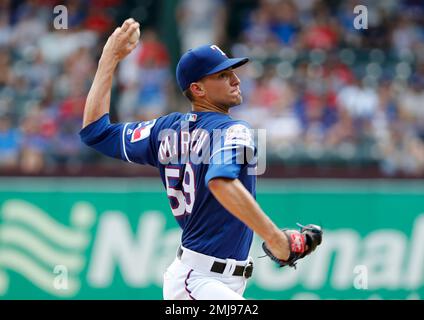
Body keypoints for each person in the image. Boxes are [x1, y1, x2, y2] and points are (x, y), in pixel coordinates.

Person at [80, 18, 313, 300]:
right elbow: (221, 183)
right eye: (222, 75)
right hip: (200, 282)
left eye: (232, 72)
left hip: (204, 278)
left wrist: (109, 57)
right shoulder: (234, 130)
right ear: (198, 89)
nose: (236, 79)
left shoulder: (162, 130)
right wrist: (277, 239)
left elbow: (96, 132)